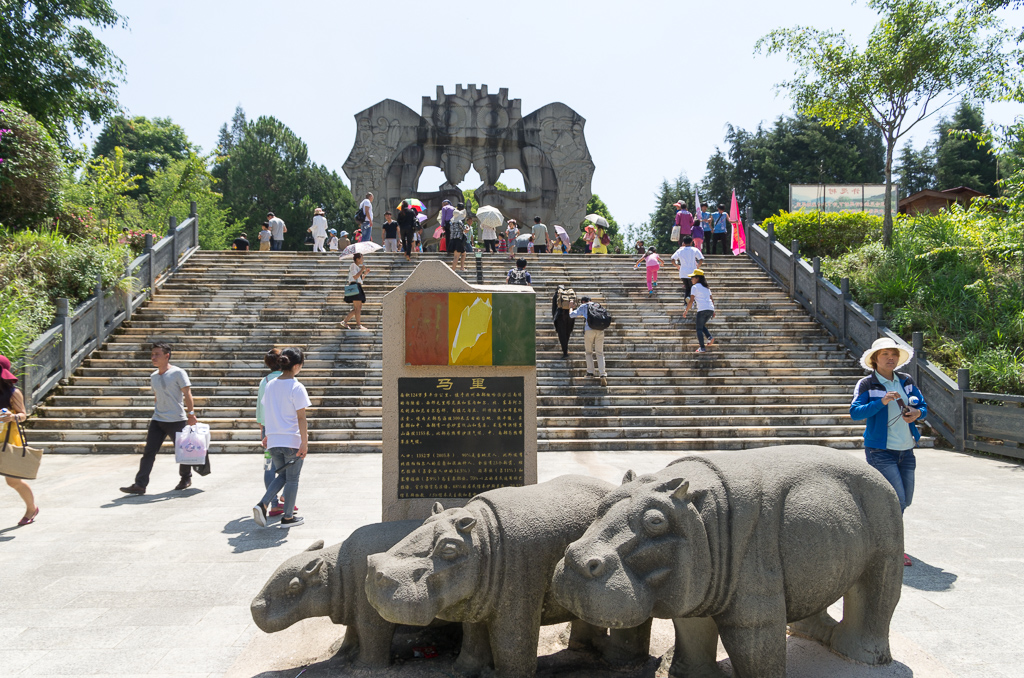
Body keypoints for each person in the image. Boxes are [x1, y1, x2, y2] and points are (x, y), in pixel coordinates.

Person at [850, 338, 928, 567]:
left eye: (893, 354)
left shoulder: (906, 381)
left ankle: (878, 540)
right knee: (897, 500)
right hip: (880, 450)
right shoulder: (867, 384)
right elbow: (855, 412)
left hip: (906, 449)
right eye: (885, 354)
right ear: (875, 359)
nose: (890, 358)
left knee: (906, 499)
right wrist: (882, 401)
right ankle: (891, 547)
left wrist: (916, 413)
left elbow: (922, 407)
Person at [120, 342, 199, 494]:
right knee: (149, 452)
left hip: (176, 419)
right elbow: (157, 395)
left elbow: (187, 394)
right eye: (152, 354)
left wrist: (191, 414)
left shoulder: (178, 373)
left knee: (183, 451)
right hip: (158, 420)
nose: (153, 357)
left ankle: (185, 477)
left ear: (167, 356)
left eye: (157, 354)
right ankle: (140, 484)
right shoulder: (154, 376)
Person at [252, 347, 310, 528]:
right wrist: (304, 443)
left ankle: (263, 504)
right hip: (291, 440)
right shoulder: (296, 387)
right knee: (292, 479)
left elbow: (267, 411)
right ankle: (287, 518)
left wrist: (268, 434)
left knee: (283, 475)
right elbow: (301, 418)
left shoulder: (269, 385)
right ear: (297, 366)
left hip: (274, 440)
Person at [256, 349, 294, 518]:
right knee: (291, 466)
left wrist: (261, 428)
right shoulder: (288, 379)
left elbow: (260, 407)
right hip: (285, 429)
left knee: (269, 466)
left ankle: (273, 503)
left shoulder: (264, 381)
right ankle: (288, 497)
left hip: (267, 428)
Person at [0, 355, 38, 525]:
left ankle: (32, 508)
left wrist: (12, 416)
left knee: (13, 481)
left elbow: (23, 415)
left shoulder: (13, 392)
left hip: (7, 440)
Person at [569, 297, 608, 386]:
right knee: (600, 353)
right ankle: (602, 374)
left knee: (589, 352)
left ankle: (590, 372)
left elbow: (571, 315)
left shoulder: (584, 306)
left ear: (583, 301)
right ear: (590, 300)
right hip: (600, 330)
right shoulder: (597, 305)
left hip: (589, 330)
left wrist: (571, 307)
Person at [682, 269, 715, 353]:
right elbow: (711, 299)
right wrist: (713, 311)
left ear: (697, 278)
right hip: (710, 309)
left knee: (699, 329)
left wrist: (686, 310)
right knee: (701, 325)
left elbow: (691, 301)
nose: (691, 279)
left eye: (693, 277)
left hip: (702, 309)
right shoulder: (707, 288)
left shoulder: (695, 287)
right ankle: (709, 337)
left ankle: (702, 347)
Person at [671, 235, 705, 300]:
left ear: (683, 242)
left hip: (683, 272)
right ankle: (690, 300)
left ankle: (686, 302)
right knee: (692, 287)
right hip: (692, 272)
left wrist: (677, 266)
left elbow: (672, 259)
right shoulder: (694, 249)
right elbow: (701, 259)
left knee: (687, 288)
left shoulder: (680, 250)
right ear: (691, 242)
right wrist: (698, 266)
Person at [343, 252, 369, 330]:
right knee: (357, 308)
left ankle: (344, 322)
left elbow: (360, 279)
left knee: (358, 307)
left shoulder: (357, 267)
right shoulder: (353, 265)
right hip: (354, 286)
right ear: (357, 259)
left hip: (358, 286)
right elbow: (355, 276)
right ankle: (358, 325)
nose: (363, 260)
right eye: (362, 258)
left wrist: (365, 273)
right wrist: (362, 270)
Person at [551, 286, 576, 358]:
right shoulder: (571, 295)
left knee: (562, 334)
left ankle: (565, 352)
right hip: (570, 316)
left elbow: (554, 308)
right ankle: (566, 348)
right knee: (567, 332)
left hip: (560, 316)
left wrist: (554, 318)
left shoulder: (556, 295)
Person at [450, 203, 469, 271]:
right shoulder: (459, 222)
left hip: (453, 240)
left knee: (463, 253)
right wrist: (468, 228)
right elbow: (465, 231)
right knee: (456, 256)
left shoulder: (452, 222)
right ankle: (453, 270)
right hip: (459, 240)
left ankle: (462, 267)